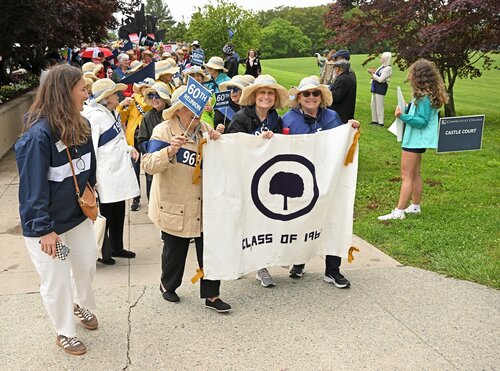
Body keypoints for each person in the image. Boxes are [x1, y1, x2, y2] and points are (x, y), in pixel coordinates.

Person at [15, 64, 99, 355]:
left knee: (87, 264)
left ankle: (79, 304)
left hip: (76, 217)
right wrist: (44, 230)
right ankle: (64, 332)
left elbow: (89, 167)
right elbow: (31, 189)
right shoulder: (37, 137)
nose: (87, 94)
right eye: (82, 89)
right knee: (57, 278)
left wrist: (93, 190)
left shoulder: (82, 124)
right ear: (65, 92)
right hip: (48, 227)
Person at [141, 86, 231, 313]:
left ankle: (212, 294)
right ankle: (168, 284)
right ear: (178, 110)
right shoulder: (163, 131)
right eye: (191, 109)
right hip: (174, 203)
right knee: (175, 251)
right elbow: (148, 165)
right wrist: (169, 151)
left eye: (199, 109)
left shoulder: (205, 129)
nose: (197, 114)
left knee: (209, 249)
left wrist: (218, 142)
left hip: (204, 203)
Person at [282, 75, 360, 287]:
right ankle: (299, 261)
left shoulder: (332, 117)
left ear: (321, 96)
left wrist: (351, 130)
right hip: (301, 179)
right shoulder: (288, 119)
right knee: (301, 220)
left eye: (315, 93)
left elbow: (341, 144)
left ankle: (332, 270)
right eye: (306, 93)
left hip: (328, 179)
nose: (311, 97)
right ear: (299, 97)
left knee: (332, 220)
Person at [226, 75, 289, 288]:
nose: (266, 97)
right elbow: (231, 148)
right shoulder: (241, 118)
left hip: (266, 179)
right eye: (262, 92)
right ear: (254, 96)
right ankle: (238, 261)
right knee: (243, 221)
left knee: (263, 222)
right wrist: (256, 143)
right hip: (244, 178)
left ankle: (261, 265)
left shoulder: (275, 119)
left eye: (270, 93)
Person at [378, 59, 448, 221]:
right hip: (417, 141)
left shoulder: (423, 98)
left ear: (419, 77)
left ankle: (399, 211)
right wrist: (409, 108)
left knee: (406, 176)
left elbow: (422, 121)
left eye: (411, 73)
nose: (409, 76)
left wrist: (402, 116)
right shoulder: (425, 96)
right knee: (415, 174)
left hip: (414, 141)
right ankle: (415, 206)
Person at [82, 79, 140, 265]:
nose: (118, 96)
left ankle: (117, 246)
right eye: (115, 93)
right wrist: (92, 178)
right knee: (105, 215)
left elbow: (117, 139)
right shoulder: (95, 116)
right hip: (105, 174)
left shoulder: (110, 112)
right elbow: (92, 148)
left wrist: (129, 148)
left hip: (118, 171)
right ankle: (102, 252)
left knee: (118, 211)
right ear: (106, 98)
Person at [116, 78, 154, 212]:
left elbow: (146, 107)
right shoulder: (132, 102)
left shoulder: (149, 101)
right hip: (134, 138)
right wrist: (122, 105)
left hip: (148, 138)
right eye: (143, 88)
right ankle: (136, 197)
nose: (145, 91)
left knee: (150, 169)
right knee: (135, 170)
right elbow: (121, 118)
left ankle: (151, 199)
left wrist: (136, 97)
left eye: (147, 88)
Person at [137, 82, 171, 200]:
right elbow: (141, 140)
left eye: (157, 96)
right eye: (151, 96)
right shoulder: (147, 117)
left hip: (172, 159)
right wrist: (151, 151)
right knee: (153, 194)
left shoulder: (174, 114)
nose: (154, 99)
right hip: (155, 159)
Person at [368, 52, 393, 127]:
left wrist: (372, 75)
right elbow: (376, 75)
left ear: (385, 59)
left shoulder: (388, 68)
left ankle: (380, 122)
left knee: (379, 105)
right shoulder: (381, 66)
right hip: (375, 87)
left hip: (381, 87)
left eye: (382, 57)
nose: (381, 58)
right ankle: (375, 120)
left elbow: (381, 79)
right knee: (373, 104)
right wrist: (373, 73)